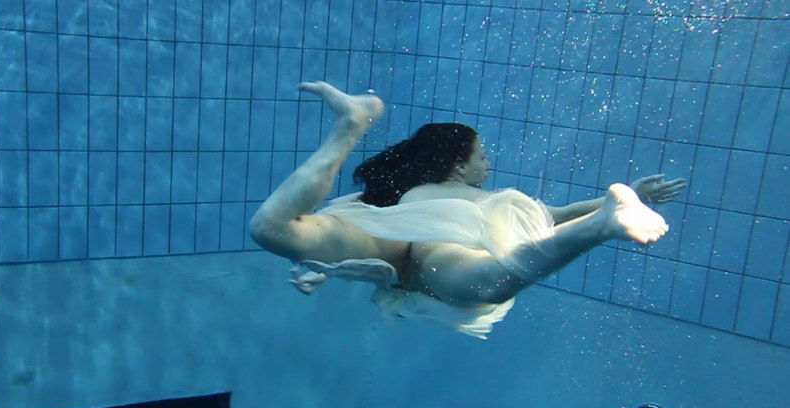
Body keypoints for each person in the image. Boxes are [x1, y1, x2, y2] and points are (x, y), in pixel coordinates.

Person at [249, 82, 687, 338]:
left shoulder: (397, 194)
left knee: (270, 228)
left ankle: (352, 123)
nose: (487, 164)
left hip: (394, 246)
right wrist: (622, 199)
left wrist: (326, 266)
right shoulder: (468, 197)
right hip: (420, 250)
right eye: (482, 156)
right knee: (487, 285)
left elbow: (559, 214)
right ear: (459, 164)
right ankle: (605, 222)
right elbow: (556, 215)